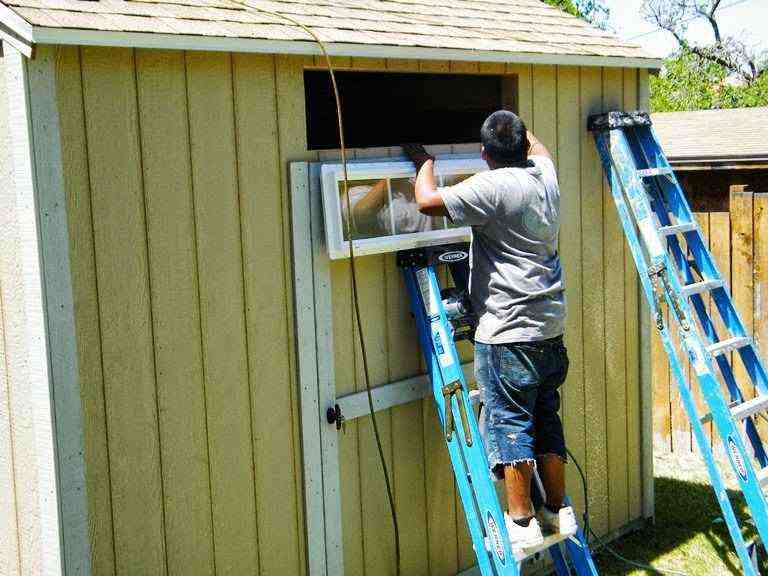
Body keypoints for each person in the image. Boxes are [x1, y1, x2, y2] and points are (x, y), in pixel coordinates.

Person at [403, 110, 576, 549]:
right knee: (545, 416)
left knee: (509, 423)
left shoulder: (492, 186)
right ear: (522, 147)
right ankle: (557, 509)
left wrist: (423, 160)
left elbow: (426, 201)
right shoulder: (545, 176)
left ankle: (521, 522)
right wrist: (514, 121)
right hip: (549, 328)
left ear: (484, 154)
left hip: (508, 331)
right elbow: (539, 148)